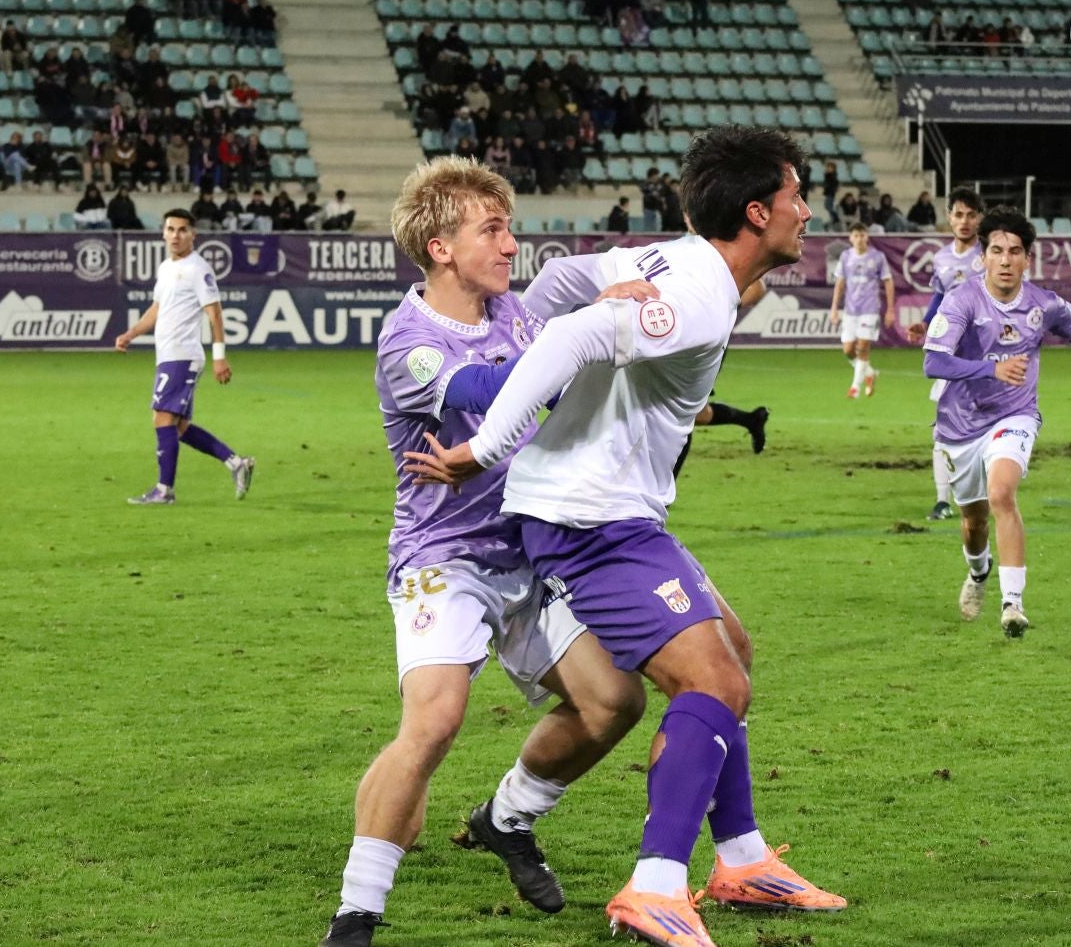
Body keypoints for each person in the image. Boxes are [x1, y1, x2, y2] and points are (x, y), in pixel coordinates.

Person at [401, 126, 846, 947]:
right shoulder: (701, 294)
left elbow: (566, 280)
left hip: (612, 510)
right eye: (795, 196)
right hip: (587, 519)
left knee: (732, 652)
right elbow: (572, 334)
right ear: (756, 212)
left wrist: (551, 315)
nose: (806, 212)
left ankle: (742, 857)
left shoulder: (677, 260)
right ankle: (655, 886)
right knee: (713, 682)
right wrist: (484, 448)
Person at [320, 158, 652, 947]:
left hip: (531, 551)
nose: (511, 245)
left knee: (615, 702)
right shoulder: (409, 339)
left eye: (509, 228)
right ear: (440, 249)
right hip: (445, 557)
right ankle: (355, 917)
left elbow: (560, 390)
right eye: (492, 230)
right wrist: (587, 329)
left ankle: (507, 817)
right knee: (435, 721)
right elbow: (486, 392)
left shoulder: (516, 315)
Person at [921, 205, 1071, 635]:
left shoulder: (1044, 304)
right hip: (959, 425)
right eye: (997, 251)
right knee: (973, 523)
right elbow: (933, 362)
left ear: (1028, 258)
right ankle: (979, 572)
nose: (1006, 260)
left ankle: (1013, 604)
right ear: (983, 258)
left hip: (1015, 416)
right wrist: (990, 369)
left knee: (1002, 493)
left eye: (1014, 251)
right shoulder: (962, 300)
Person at [113, 212, 256, 505]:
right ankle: (236, 463)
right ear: (163, 233)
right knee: (177, 427)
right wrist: (131, 333)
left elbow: (215, 314)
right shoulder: (166, 267)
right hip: (168, 355)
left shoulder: (198, 269)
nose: (176, 235)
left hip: (182, 354)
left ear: (193, 235)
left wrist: (219, 357)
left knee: (162, 418)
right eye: (171, 229)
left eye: (182, 230)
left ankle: (164, 490)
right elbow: (157, 308)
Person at [906, 188, 985, 521]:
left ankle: (983, 495)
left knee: (986, 429)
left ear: (980, 218)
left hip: (987, 356)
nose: (964, 221)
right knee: (942, 427)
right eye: (958, 214)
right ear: (949, 217)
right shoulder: (941, 258)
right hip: (951, 355)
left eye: (971, 215)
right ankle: (942, 500)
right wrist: (925, 323)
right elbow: (940, 296)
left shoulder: (991, 255)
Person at [829, 224, 895, 400]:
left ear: (867, 237)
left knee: (863, 347)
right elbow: (840, 283)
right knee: (848, 350)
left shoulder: (877, 257)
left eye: (862, 235)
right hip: (850, 310)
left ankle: (855, 387)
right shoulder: (846, 256)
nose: (859, 239)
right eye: (856, 235)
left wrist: (890, 309)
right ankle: (870, 373)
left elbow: (888, 282)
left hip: (870, 309)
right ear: (850, 238)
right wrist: (834, 308)